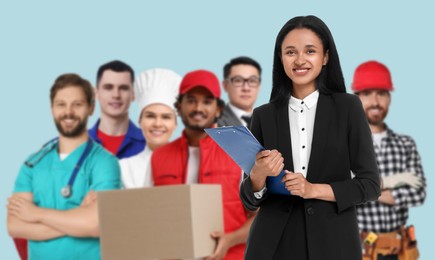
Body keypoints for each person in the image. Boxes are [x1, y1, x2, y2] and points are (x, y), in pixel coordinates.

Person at [239, 15, 381, 260]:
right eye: (290, 52)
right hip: (272, 246)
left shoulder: (348, 108)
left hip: (333, 244)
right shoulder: (264, 115)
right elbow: (250, 200)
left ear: (325, 57)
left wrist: (313, 189)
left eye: (310, 51)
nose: (300, 60)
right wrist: (258, 175)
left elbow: (369, 186)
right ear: (280, 58)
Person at [7, 73, 120, 259]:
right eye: (61, 104)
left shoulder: (105, 162)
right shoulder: (32, 163)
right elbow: (15, 226)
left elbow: (96, 225)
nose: (68, 112)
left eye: (77, 104)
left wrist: (35, 213)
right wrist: (76, 218)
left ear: (91, 108)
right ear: (52, 108)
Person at [151, 70, 255, 260]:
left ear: (217, 109)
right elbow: (151, 216)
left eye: (207, 101)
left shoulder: (240, 150)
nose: (198, 108)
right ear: (179, 106)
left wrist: (230, 239)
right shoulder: (159, 157)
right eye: (191, 100)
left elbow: (264, 215)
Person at [352, 60, 426, 260]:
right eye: (367, 93)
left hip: (400, 250)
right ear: (356, 99)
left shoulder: (406, 144)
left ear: (389, 98)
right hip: (361, 250)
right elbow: (342, 190)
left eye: (381, 93)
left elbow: (418, 194)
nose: (375, 101)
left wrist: (366, 189)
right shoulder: (344, 145)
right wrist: (395, 182)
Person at [120, 68, 181, 188]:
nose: (158, 124)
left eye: (166, 117)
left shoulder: (187, 163)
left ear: (175, 124)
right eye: (150, 116)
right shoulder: (124, 168)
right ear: (140, 121)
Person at [89, 60, 145, 159]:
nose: (116, 95)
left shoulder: (148, 144)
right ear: (96, 93)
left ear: (133, 94)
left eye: (123, 88)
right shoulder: (78, 143)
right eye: (108, 87)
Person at [218, 56, 262, 127]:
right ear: (225, 85)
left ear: (259, 85)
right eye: (238, 80)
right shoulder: (215, 122)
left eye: (252, 81)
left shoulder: (267, 121)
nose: (246, 88)